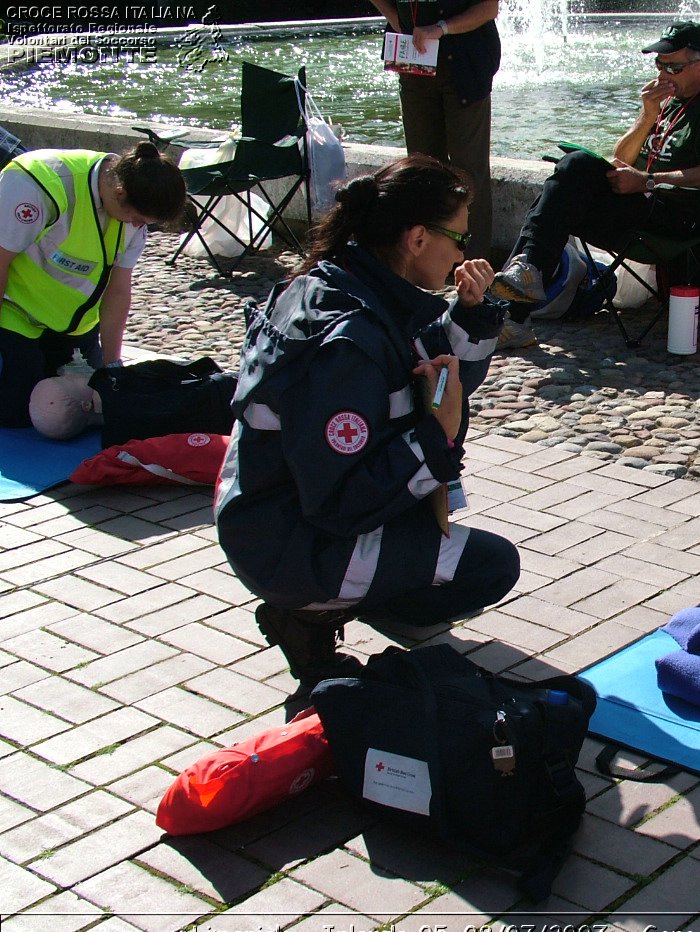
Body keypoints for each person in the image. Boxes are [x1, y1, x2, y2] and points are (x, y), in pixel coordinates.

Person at [215, 156, 519, 708]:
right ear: (418, 238)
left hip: (267, 514)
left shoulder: (351, 282)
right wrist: (433, 440)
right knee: (489, 565)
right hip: (288, 543)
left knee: (438, 525)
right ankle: (312, 613)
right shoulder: (347, 341)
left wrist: (471, 316)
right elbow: (339, 502)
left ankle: (352, 593)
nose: (465, 251)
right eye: (460, 235)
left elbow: (435, 365)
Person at [490, 20, 700, 349]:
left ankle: (515, 297)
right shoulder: (667, 106)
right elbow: (622, 157)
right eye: (659, 65)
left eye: (674, 67)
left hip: (678, 217)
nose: (664, 74)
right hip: (642, 205)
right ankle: (517, 306)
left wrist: (647, 180)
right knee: (562, 185)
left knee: (571, 175)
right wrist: (647, 115)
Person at [0, 141, 186, 427]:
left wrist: (114, 368)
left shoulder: (133, 211)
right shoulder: (36, 185)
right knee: (20, 413)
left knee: (89, 405)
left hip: (74, 327)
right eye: (137, 219)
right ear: (119, 193)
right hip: (14, 315)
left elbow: (118, 290)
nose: (138, 227)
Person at [369, 0, 500, 263]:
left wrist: (441, 28)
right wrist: (397, 19)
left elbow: (489, 8)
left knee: (468, 171)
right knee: (420, 169)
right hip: (415, 64)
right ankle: (425, 262)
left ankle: (472, 265)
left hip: (466, 67)